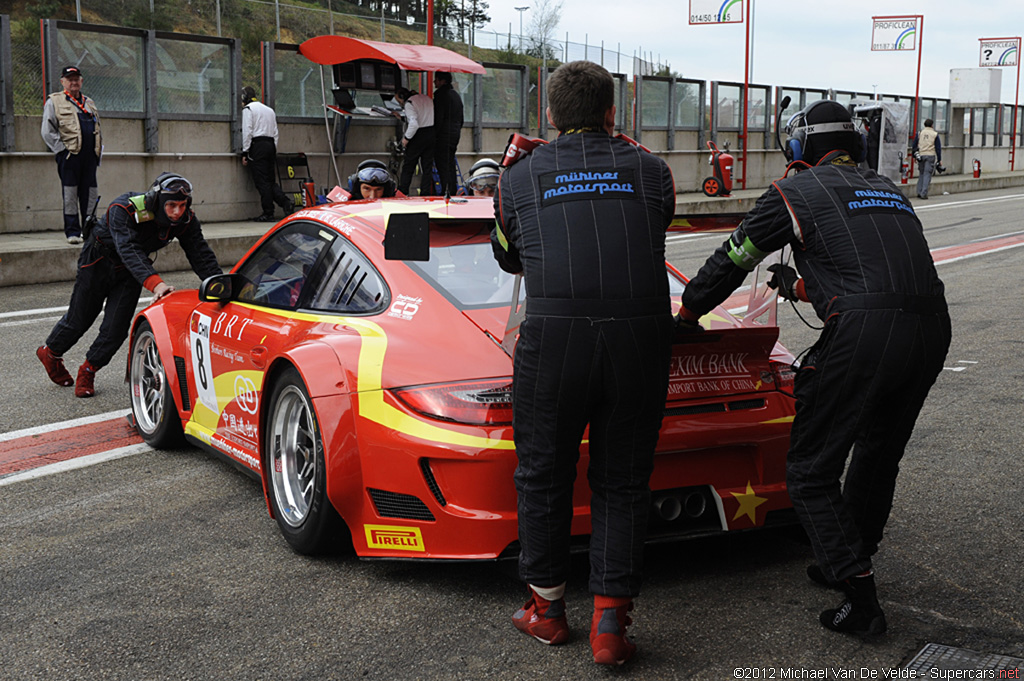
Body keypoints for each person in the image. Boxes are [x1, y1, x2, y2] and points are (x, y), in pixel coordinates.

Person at [677, 100, 951, 636]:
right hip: (930, 328)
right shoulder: (890, 191)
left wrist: (687, 315)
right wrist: (800, 286)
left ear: (798, 146)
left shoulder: (792, 192)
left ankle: (859, 597)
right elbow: (870, 271)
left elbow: (732, 260)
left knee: (808, 469)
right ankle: (846, 560)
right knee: (878, 452)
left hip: (865, 335)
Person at [490, 61, 676, 666]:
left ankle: (545, 612)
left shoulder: (515, 179)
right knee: (622, 480)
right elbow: (652, 230)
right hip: (640, 338)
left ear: (549, 114)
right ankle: (610, 626)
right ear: (610, 112)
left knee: (543, 473)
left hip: (555, 339)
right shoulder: (653, 170)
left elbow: (509, 258)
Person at [36, 173, 222, 398]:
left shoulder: (186, 220)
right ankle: (51, 354)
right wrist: (157, 285)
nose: (177, 211)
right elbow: (129, 248)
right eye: (171, 205)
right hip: (97, 262)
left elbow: (200, 253)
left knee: (116, 328)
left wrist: (220, 285)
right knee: (79, 319)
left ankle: (89, 369)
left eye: (182, 205)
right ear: (157, 201)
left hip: (130, 271)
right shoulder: (123, 209)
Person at [41, 65, 102, 245]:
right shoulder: (54, 101)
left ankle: (89, 231)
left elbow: (97, 128)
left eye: (77, 79)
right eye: (70, 79)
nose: (74, 82)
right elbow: (47, 131)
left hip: (90, 157)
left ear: (81, 81)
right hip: (70, 156)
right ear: (63, 82)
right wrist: (62, 150)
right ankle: (73, 232)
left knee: (90, 194)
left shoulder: (89, 102)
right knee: (70, 194)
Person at [241, 86, 293, 222]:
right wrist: (272, 148)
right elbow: (275, 132)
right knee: (270, 181)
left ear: (244, 98)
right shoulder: (269, 110)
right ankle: (286, 202)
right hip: (270, 145)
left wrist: (245, 151)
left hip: (257, 145)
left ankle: (268, 212)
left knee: (262, 182)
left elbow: (247, 131)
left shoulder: (248, 110)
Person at [392, 87, 435, 196]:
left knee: (408, 166)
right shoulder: (427, 98)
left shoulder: (409, 103)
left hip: (417, 137)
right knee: (427, 167)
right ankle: (425, 193)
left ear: (402, 97)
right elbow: (422, 117)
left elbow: (414, 124)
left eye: (399, 100)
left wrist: (406, 139)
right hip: (431, 134)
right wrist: (402, 118)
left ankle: (403, 191)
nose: (400, 103)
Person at [433, 72, 464, 196]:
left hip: (443, 135)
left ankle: (446, 192)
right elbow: (461, 118)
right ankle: (452, 189)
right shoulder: (456, 95)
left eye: (436, 80)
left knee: (442, 165)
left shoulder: (440, 95)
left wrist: (434, 134)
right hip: (455, 134)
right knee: (450, 163)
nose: (434, 82)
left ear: (442, 81)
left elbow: (438, 118)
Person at [912, 118, 942, 200]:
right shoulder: (935, 134)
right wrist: (939, 159)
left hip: (921, 155)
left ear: (924, 125)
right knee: (927, 174)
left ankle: (919, 191)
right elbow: (938, 148)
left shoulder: (920, 133)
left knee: (921, 173)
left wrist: (914, 156)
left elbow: (914, 145)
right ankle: (924, 193)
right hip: (930, 155)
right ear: (932, 125)